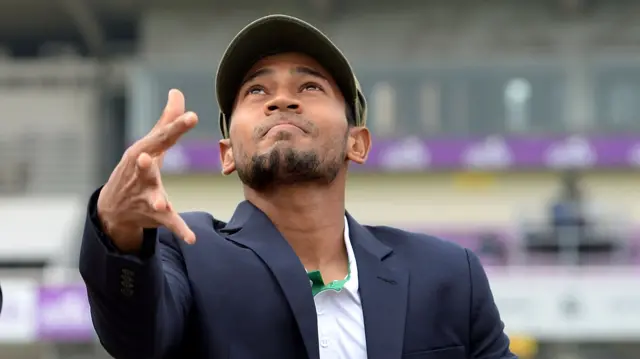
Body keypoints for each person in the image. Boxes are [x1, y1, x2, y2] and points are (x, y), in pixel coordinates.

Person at [79, 14, 516, 359]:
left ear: (357, 142)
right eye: (256, 91)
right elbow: (137, 337)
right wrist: (116, 227)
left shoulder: (447, 275)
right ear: (227, 153)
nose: (281, 99)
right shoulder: (187, 251)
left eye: (309, 86)